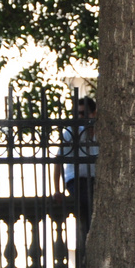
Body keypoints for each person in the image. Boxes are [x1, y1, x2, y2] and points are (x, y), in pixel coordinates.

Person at [54, 97, 98, 237]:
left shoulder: (102, 132)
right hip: (77, 180)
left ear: (93, 113)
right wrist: (56, 189)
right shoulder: (72, 131)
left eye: (84, 113)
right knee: (88, 204)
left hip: (96, 180)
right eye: (78, 113)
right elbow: (58, 161)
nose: (80, 117)